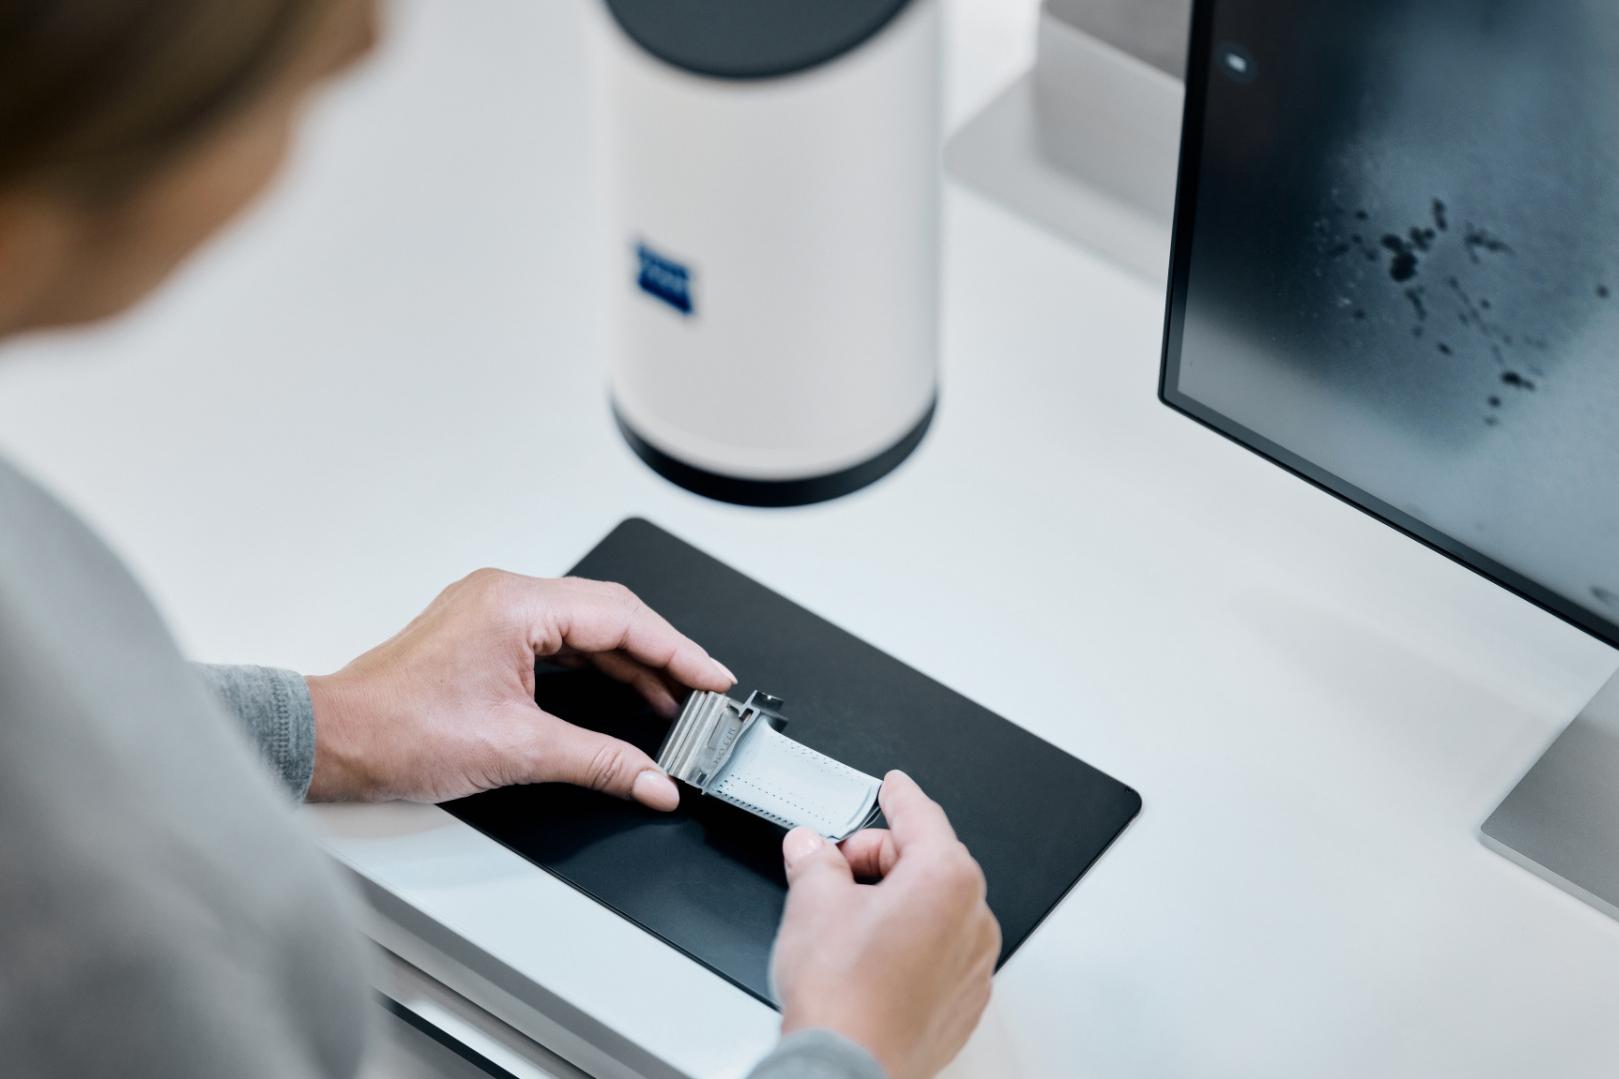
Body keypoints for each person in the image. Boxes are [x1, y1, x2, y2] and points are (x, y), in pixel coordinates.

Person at [0, 2, 1001, 1078]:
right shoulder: (91, 962)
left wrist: (328, 723)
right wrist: (854, 1050)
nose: (366, 45)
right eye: (290, 37)